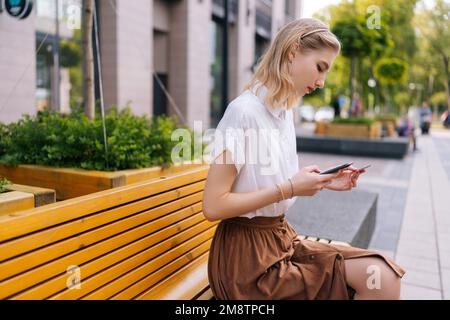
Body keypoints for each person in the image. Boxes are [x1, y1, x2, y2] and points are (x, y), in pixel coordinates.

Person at [203, 18, 405, 300]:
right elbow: (213, 205)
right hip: (245, 264)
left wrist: (323, 182)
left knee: (382, 275)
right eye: (320, 68)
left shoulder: (283, 114)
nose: (321, 82)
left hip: (279, 241)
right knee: (377, 279)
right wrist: (290, 187)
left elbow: (270, 182)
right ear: (292, 51)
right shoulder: (244, 113)